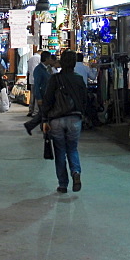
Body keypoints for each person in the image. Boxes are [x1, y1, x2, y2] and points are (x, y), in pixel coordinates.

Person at [41, 50, 87, 193]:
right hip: (74, 119)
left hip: (57, 120)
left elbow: (47, 100)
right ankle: (76, 172)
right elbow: (85, 100)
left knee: (60, 151)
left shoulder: (55, 79)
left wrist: (44, 119)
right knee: (72, 148)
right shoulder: (79, 79)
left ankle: (63, 184)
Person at [24, 51, 53, 134]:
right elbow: (37, 84)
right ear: (47, 59)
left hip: (46, 93)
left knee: (43, 113)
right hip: (42, 94)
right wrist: (39, 97)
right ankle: (33, 125)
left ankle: (31, 125)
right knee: (43, 113)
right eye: (50, 58)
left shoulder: (47, 68)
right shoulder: (39, 69)